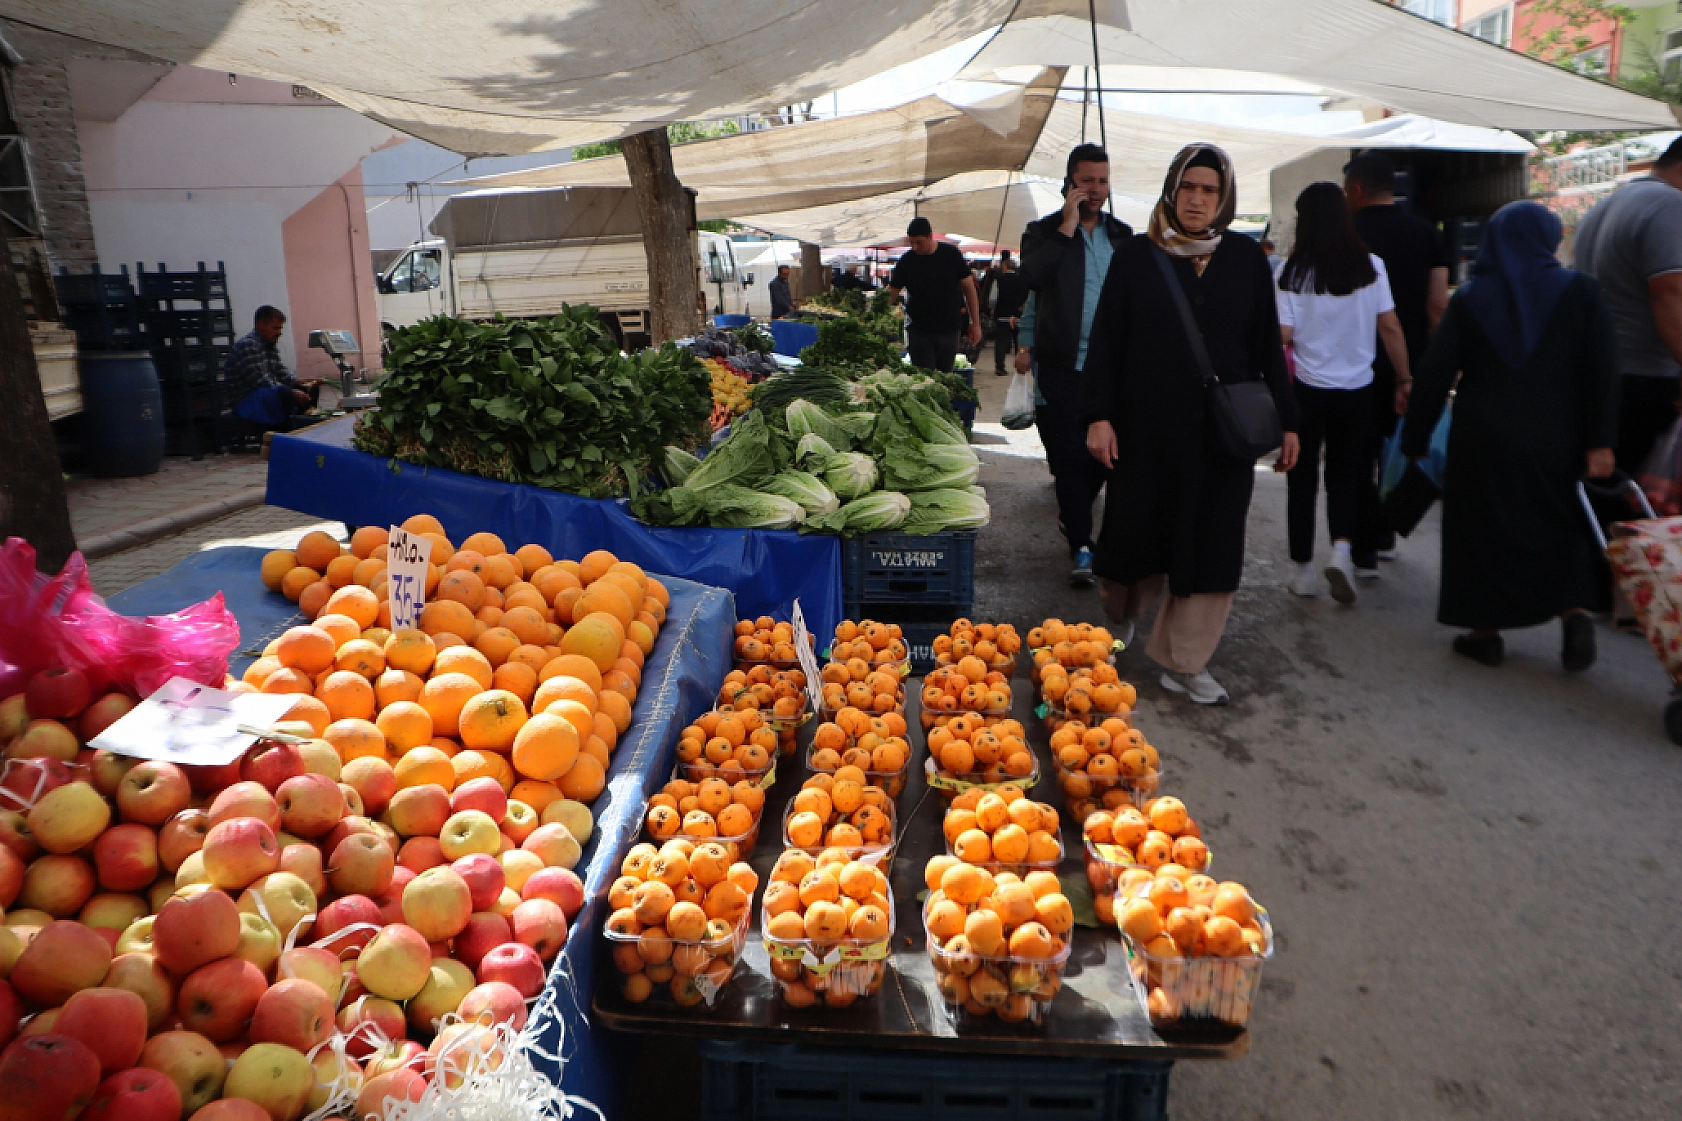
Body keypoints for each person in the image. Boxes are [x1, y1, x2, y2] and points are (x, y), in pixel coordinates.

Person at [1082, 143, 1301, 705]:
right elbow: (1107, 340)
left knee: (1212, 543)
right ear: (1171, 190)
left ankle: (1185, 660)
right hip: (1145, 430)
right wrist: (1099, 416)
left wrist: (1289, 423)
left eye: (1209, 190)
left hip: (1221, 438)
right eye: (1188, 188)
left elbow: (1267, 350)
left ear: (1224, 197)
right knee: (1134, 536)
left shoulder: (1247, 261)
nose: (1198, 200)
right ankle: (1121, 619)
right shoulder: (1136, 256)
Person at [1402, 201, 1619, 671]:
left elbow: (1436, 373)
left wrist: (1414, 439)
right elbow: (1603, 370)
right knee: (1560, 522)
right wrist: (1600, 440)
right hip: (1557, 434)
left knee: (1480, 529)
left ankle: (1484, 633)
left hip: (1482, 436)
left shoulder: (1472, 297)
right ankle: (1574, 612)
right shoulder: (1582, 291)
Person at [1276, 182, 1412, 604]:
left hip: (1307, 391)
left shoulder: (1291, 271)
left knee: (1301, 478)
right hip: (1358, 389)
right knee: (1348, 474)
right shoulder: (1371, 266)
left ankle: (1303, 571)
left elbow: (1284, 334)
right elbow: (1389, 326)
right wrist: (1405, 378)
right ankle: (1342, 549)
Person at [1019, 144, 1134, 587]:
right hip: (1061, 365)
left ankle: (1075, 514)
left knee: (1103, 459)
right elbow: (1030, 280)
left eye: (1102, 181)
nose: (1096, 190)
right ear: (1069, 183)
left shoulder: (1123, 237)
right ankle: (1083, 546)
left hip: (1112, 370)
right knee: (1068, 457)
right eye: (1087, 181)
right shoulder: (1042, 232)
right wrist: (1066, 229)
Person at [1344, 152, 1451, 574]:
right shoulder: (1427, 234)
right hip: (1411, 363)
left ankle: (1363, 548)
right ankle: (1388, 530)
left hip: (1356, 363)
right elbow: (1437, 305)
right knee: (1402, 450)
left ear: (1355, 191)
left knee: (1360, 452)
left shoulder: (1345, 236)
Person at [1573, 135, 1682, 476]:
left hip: (1603, 378)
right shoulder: (1670, 206)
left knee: (1611, 502)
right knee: (1645, 510)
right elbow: (1669, 294)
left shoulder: (1606, 205)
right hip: (1647, 382)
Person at [888, 218, 982, 372]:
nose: (915, 247)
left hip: (949, 329)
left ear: (930, 236)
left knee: (946, 376)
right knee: (924, 377)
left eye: (919, 242)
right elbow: (891, 293)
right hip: (919, 330)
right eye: (911, 242)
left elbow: (969, 289)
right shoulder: (906, 261)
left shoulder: (951, 255)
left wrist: (975, 323)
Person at [226, 306, 319, 431]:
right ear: (261, 325)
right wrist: (291, 392)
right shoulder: (248, 345)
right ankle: (284, 432)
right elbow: (260, 382)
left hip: (266, 393)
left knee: (310, 387)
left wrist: (301, 381)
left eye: (280, 328)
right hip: (247, 400)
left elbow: (281, 373)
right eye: (275, 328)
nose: (279, 333)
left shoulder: (270, 344)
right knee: (284, 393)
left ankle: (302, 426)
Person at [991, 255, 1029, 377]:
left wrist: (992, 309)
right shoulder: (1021, 280)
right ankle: (1021, 366)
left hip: (1002, 315)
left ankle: (1000, 366)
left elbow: (993, 298)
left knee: (1001, 342)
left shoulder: (999, 279)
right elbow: (1025, 297)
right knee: (1019, 341)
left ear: (1005, 266)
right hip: (1018, 316)